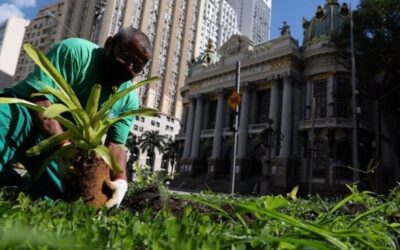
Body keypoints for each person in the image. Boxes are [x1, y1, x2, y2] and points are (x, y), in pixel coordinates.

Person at [0, 27, 152, 208]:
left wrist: (121, 180)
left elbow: (116, 144)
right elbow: (39, 97)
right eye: (126, 57)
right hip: (27, 116)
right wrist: (66, 148)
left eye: (137, 66)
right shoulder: (75, 52)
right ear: (109, 45)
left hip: (62, 146)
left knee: (67, 199)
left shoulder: (129, 98)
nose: (129, 67)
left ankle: (14, 182)